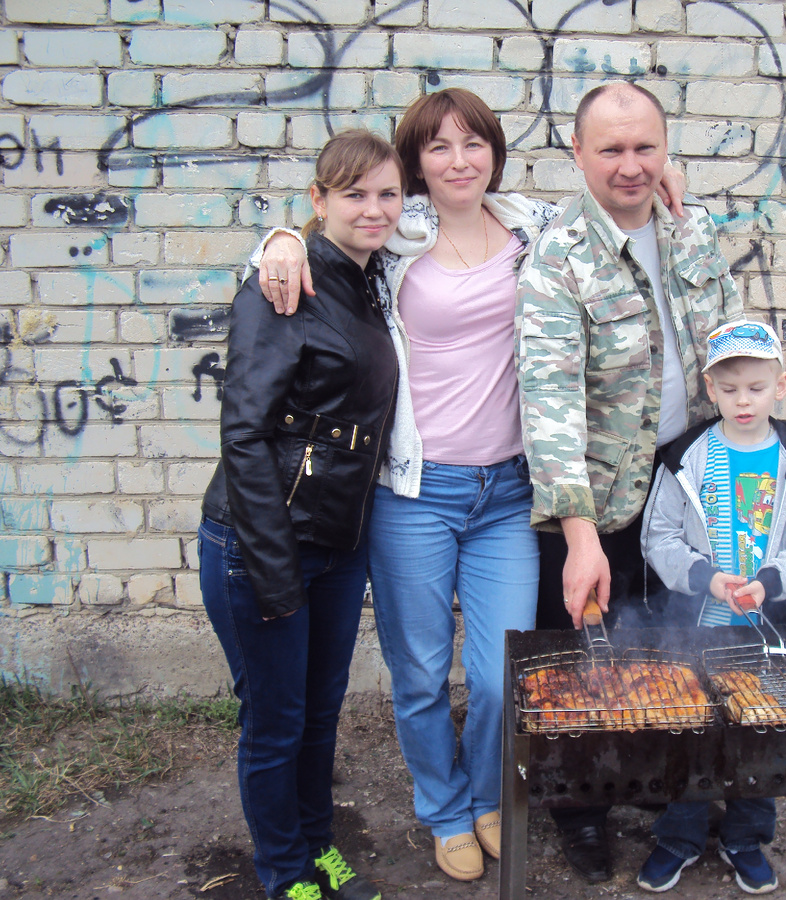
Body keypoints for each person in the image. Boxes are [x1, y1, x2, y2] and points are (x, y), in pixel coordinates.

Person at [251, 88, 688, 883]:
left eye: (475, 144)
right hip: (415, 493)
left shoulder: (533, 227)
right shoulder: (397, 235)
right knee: (421, 671)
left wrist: (664, 177)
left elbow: (611, 197)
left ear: (495, 151)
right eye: (440, 148)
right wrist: (280, 237)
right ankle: (444, 808)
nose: (460, 161)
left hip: (509, 495)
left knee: (498, 672)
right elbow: (324, 232)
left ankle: (488, 794)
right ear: (415, 162)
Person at [516, 81, 744, 883]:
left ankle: (648, 778)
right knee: (585, 656)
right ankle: (579, 807)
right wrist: (579, 536)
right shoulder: (558, 256)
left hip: (683, 485)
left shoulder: (692, 227)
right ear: (577, 154)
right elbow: (547, 403)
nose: (630, 165)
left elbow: (730, 340)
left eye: (645, 146)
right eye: (610, 149)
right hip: (601, 496)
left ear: (666, 149)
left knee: (667, 643)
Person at [199, 129, 403, 900]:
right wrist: (271, 563)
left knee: (320, 715)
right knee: (276, 722)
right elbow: (244, 431)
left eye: (388, 194)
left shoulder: (369, 272)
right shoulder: (282, 286)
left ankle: (319, 849)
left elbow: (486, 206)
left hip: (337, 542)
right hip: (261, 541)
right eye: (354, 195)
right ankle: (286, 874)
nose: (374, 210)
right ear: (318, 201)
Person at [635, 319, 786, 894]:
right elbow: (659, 538)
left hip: (769, 624)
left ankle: (746, 836)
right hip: (695, 623)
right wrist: (707, 578)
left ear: (781, 386)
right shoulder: (687, 456)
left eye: (756, 387)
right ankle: (679, 836)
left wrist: (769, 582)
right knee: (691, 730)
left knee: (761, 730)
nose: (742, 400)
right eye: (728, 389)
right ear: (709, 389)